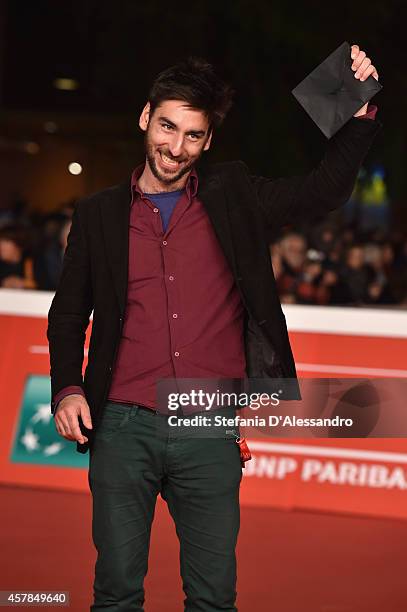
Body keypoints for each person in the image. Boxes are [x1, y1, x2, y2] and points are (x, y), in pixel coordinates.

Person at [47, 45, 381, 611]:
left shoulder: (235, 196)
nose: (175, 149)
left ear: (208, 142)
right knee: (116, 591)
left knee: (212, 598)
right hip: (122, 423)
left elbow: (325, 190)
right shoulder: (99, 213)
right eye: (167, 127)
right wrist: (67, 386)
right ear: (145, 116)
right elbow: (69, 312)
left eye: (193, 136)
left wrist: (358, 110)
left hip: (206, 419)